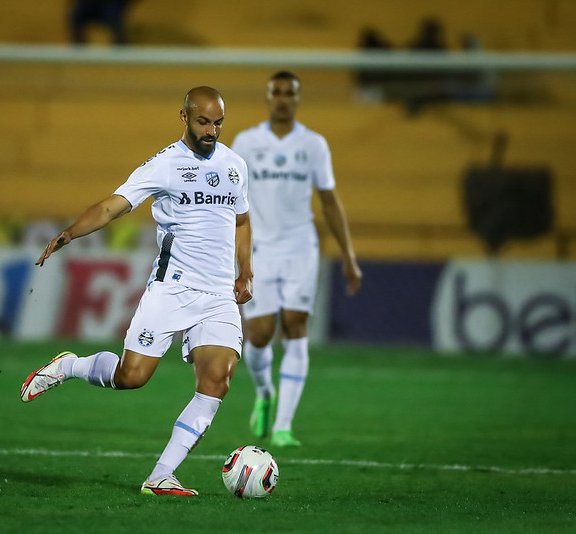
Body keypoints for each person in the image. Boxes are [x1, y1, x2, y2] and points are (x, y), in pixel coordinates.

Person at [20, 86, 252, 497]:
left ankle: (161, 475)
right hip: (173, 290)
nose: (211, 130)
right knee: (132, 377)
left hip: (218, 296)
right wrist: (70, 233)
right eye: (203, 121)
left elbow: (242, 220)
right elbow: (113, 205)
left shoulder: (235, 166)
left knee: (218, 378)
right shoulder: (165, 165)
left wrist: (245, 272)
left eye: (218, 123)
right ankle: (69, 366)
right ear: (184, 117)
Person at [231, 71, 362, 448]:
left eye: (290, 93)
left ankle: (284, 427)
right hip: (259, 249)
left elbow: (329, 202)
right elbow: (233, 200)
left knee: (294, 325)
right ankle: (265, 393)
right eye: (277, 92)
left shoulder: (314, 145)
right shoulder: (247, 142)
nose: (283, 99)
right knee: (258, 335)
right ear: (268, 97)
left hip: (301, 247)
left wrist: (349, 257)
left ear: (298, 99)